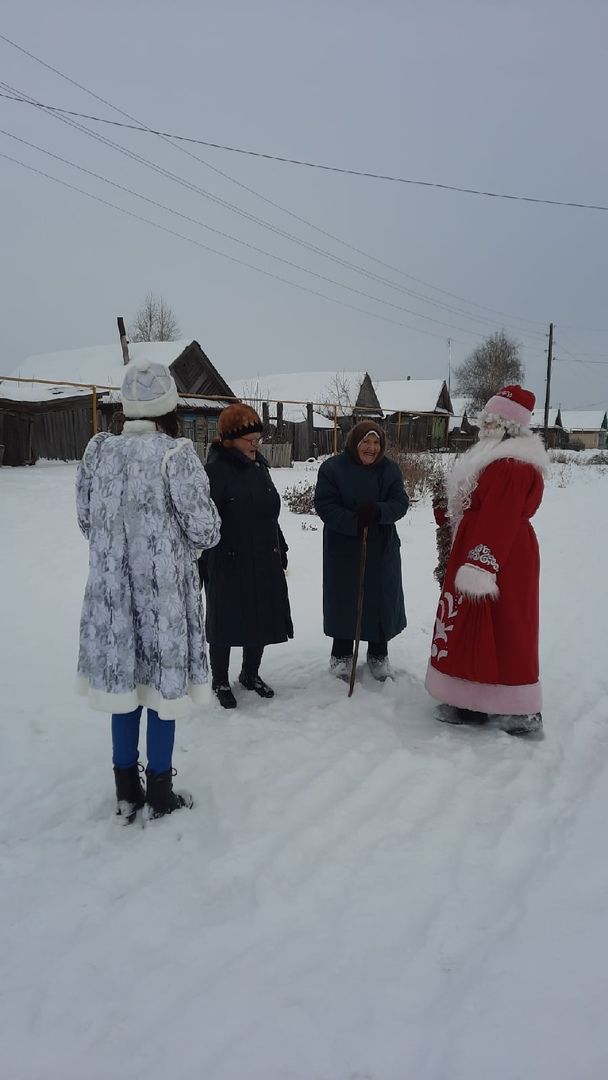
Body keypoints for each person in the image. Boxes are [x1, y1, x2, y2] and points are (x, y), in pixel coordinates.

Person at [76, 358, 221, 821]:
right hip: (163, 598)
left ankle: (125, 788)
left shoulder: (98, 452)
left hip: (113, 596)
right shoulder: (175, 456)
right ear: (169, 406)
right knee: (160, 689)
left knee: (126, 687)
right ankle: (159, 791)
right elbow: (205, 529)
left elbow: (86, 519)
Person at [425, 385, 549, 736]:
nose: (487, 424)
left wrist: (481, 563)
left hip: (501, 555)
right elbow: (479, 502)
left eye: (494, 419)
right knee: (474, 624)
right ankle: (471, 698)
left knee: (508, 626)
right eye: (487, 418)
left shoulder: (513, 463)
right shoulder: (493, 455)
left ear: (511, 424)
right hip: (485, 547)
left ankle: (516, 707)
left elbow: (501, 516)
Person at [202, 403, 293, 708]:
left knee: (260, 614)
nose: (255, 445)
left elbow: (269, 513)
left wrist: (280, 544)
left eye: (258, 439)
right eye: (249, 440)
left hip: (263, 553)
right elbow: (203, 521)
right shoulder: (215, 470)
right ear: (229, 439)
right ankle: (219, 680)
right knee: (225, 619)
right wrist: (207, 560)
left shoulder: (259, 467)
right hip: (227, 557)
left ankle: (249, 674)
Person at [314, 421, 409, 681]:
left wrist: (378, 512)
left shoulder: (390, 470)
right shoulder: (333, 468)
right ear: (355, 443)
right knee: (346, 598)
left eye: (376, 442)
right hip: (344, 547)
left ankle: (379, 654)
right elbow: (324, 504)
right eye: (366, 442)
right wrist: (354, 521)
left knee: (380, 599)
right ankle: (341, 655)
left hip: (381, 547)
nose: (371, 447)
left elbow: (400, 503)